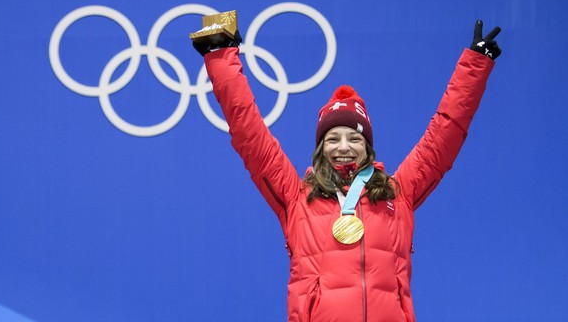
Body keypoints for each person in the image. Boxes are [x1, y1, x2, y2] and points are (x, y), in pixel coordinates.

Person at [192, 20, 501, 322]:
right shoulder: (296, 195)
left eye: (355, 138)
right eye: (333, 138)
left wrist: (475, 66)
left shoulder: (398, 191)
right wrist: (221, 58)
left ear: (368, 148)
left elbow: (444, 135)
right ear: (320, 147)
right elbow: (249, 131)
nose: (344, 147)